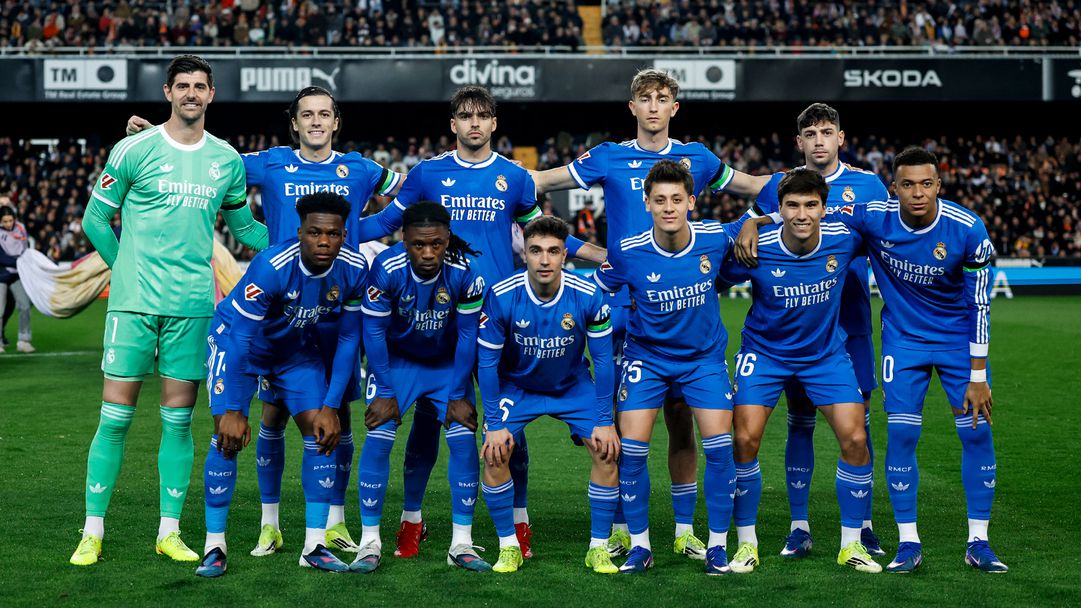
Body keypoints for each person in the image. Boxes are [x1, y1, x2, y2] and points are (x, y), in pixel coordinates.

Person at [128, 86, 407, 555]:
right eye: (307, 115)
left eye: (324, 114)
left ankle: (333, 522)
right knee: (273, 416)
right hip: (276, 304)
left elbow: (409, 191)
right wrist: (162, 133)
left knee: (336, 416)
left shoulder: (359, 168)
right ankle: (268, 523)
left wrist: (362, 232)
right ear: (294, 123)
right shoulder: (272, 162)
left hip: (330, 305)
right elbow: (209, 160)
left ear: (336, 122)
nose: (316, 121)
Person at [533, 68, 766, 558]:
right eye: (646, 98)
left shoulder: (697, 157)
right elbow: (538, 184)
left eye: (662, 98)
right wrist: (590, 252)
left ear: (674, 108)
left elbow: (755, 187)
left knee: (682, 423)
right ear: (633, 107)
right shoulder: (608, 156)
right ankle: (623, 529)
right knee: (623, 427)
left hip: (679, 307)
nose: (654, 106)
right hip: (621, 307)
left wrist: (781, 203)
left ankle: (683, 531)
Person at [382, 86, 606, 561]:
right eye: (466, 116)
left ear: (494, 124)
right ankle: (411, 521)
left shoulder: (515, 177)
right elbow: (384, 224)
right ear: (453, 124)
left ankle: (518, 525)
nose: (475, 123)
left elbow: (543, 232)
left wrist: (601, 255)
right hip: (442, 317)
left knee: (510, 427)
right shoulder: (427, 173)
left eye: (483, 116)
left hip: (503, 319)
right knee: (430, 421)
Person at [70, 55, 268, 567]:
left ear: (211, 94)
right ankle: (92, 532)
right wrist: (125, 269)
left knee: (178, 423)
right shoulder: (134, 148)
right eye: (183, 85)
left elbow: (246, 230)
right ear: (168, 92)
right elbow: (95, 220)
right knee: (114, 419)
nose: (191, 93)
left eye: (200, 86)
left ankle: (169, 531)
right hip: (134, 305)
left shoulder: (225, 159)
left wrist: (302, 242)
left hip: (193, 307)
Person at [827, 147, 1003, 573]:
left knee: (977, 434)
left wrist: (978, 373)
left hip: (958, 342)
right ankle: (909, 542)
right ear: (894, 189)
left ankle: (978, 541)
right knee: (902, 435)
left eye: (926, 184)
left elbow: (980, 304)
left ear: (939, 185)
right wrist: (757, 221)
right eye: (908, 184)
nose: (918, 193)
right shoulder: (874, 217)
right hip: (903, 341)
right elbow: (814, 215)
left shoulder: (967, 228)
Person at [736, 103, 889, 558]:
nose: (819, 140)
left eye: (827, 132)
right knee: (799, 421)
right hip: (791, 321)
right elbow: (753, 228)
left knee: (858, 422)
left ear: (840, 138)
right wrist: (752, 220)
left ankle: (863, 526)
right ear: (799, 141)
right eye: (811, 134)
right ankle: (798, 525)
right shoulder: (780, 185)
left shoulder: (868, 185)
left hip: (849, 319)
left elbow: (886, 240)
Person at [195, 192, 365, 577]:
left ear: (344, 235)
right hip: (238, 343)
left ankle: (314, 545)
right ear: (300, 232)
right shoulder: (272, 265)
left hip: (294, 351)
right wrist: (234, 409)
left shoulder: (354, 269)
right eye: (315, 233)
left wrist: (331, 405)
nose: (324, 242)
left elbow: (348, 339)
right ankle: (214, 546)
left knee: (322, 431)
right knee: (226, 436)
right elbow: (241, 338)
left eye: (333, 234)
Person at [592, 160, 746, 575]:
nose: (668, 208)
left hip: (703, 360)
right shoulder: (627, 250)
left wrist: (755, 222)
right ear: (646, 203)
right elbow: (595, 293)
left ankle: (717, 546)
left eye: (676, 199)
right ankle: (641, 546)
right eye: (659, 200)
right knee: (632, 450)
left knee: (719, 448)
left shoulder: (715, 237)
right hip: (647, 359)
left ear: (691, 202)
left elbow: (764, 210)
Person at [477, 216, 619, 574]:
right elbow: (487, 365)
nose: (544, 260)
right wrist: (493, 423)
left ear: (564, 255)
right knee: (494, 453)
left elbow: (603, 361)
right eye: (536, 251)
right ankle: (509, 546)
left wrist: (605, 421)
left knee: (606, 449)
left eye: (553, 251)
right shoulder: (502, 294)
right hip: (517, 386)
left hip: (571, 385)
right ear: (524, 253)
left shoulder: (588, 294)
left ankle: (598, 548)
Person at [352, 201, 488, 573]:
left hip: (446, 365)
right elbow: (373, 332)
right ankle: (369, 542)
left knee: (462, 438)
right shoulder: (386, 268)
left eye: (436, 244)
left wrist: (458, 394)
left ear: (448, 239)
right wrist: (384, 390)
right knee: (379, 436)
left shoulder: (466, 271)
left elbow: (467, 336)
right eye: (418, 244)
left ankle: (461, 543)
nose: (428, 253)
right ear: (403, 238)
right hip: (397, 364)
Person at [0, 205, 33, 353]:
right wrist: (21, 262)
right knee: (0, 310)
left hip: (17, 274)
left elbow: (26, 248)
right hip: (1, 275)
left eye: (10, 220)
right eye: (5, 221)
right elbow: (2, 258)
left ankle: (24, 340)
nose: (8, 224)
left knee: (25, 305)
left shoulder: (21, 228)